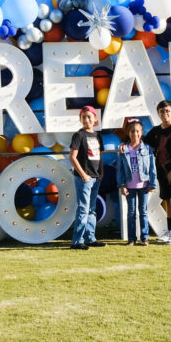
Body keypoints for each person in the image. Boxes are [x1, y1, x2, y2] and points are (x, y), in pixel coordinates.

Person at [144, 99, 171, 246]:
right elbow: (142, 143)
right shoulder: (155, 131)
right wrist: (126, 145)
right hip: (161, 171)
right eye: (162, 112)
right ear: (158, 114)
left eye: (168, 111)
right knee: (167, 200)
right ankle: (169, 231)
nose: (165, 114)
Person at [68, 106, 106, 250]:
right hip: (84, 178)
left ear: (95, 119)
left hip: (96, 177)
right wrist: (83, 175)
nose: (86, 119)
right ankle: (77, 241)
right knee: (83, 209)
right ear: (80, 120)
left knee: (92, 209)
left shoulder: (97, 136)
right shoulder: (79, 135)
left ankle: (91, 238)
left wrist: (100, 173)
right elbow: (72, 157)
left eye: (89, 116)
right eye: (83, 117)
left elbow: (99, 156)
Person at [116, 118, 157, 246]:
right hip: (129, 186)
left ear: (142, 132)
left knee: (143, 211)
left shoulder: (147, 149)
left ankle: (144, 238)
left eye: (138, 131)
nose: (135, 134)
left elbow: (152, 167)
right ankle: (132, 238)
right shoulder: (124, 149)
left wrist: (152, 184)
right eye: (132, 131)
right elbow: (120, 169)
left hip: (144, 185)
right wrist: (122, 185)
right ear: (128, 133)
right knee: (131, 212)